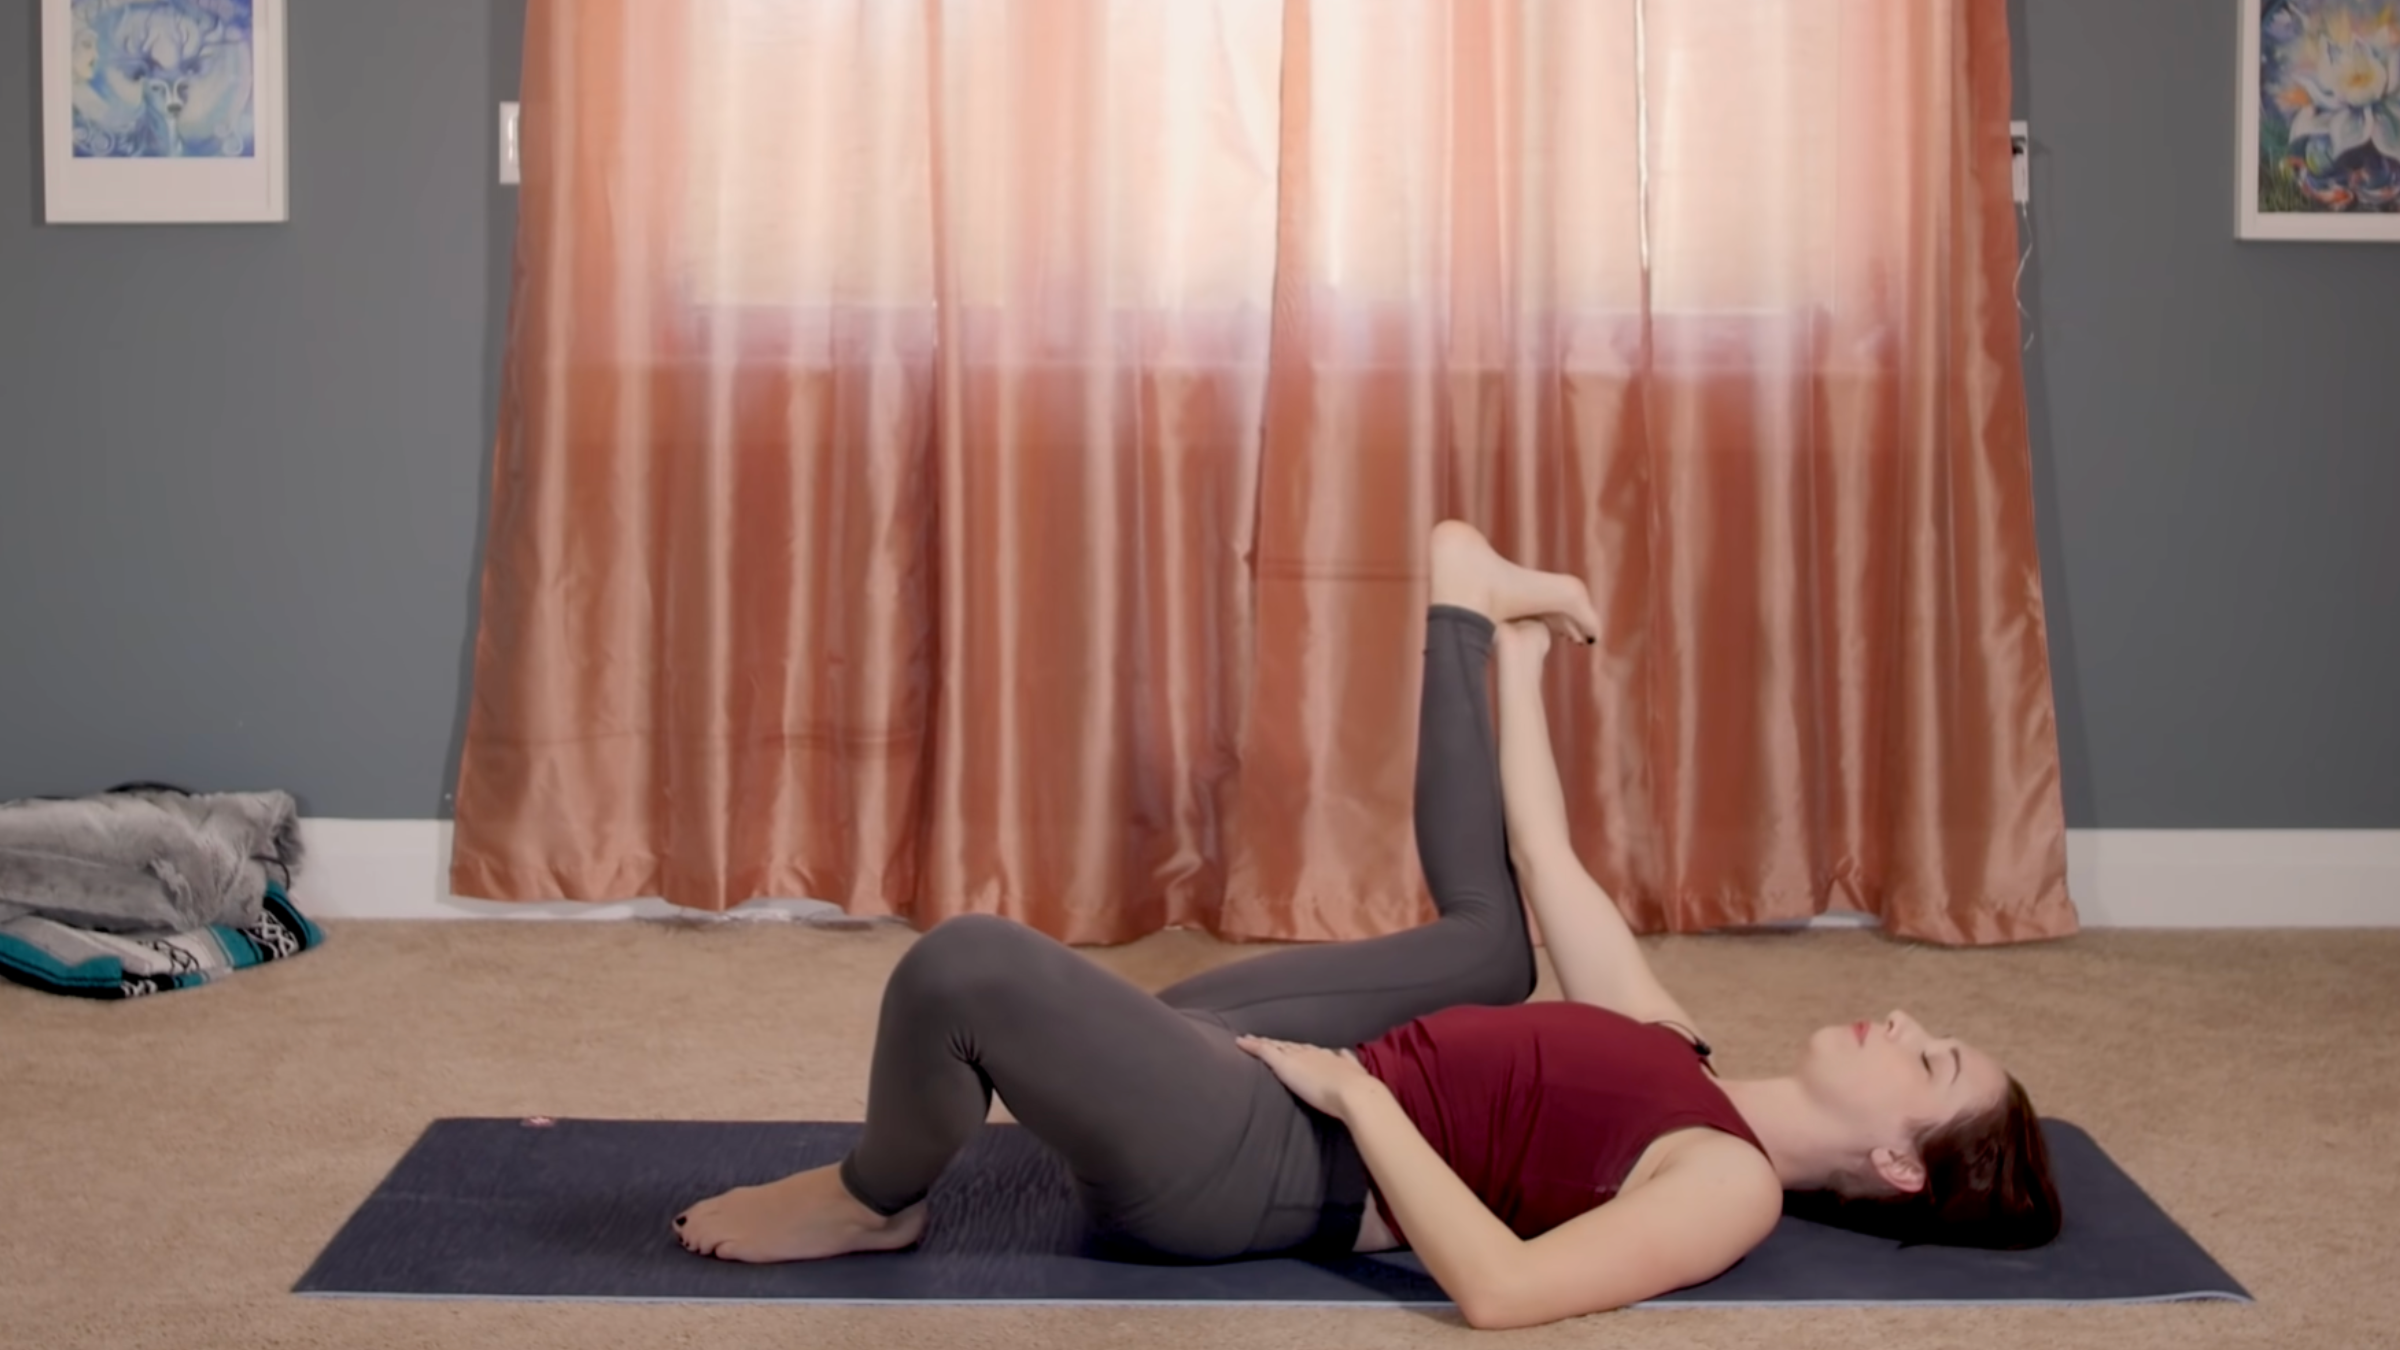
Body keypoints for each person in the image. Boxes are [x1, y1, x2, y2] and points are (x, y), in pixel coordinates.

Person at [673, 521, 2062, 1330]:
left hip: (1272, 1162)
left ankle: (875, 1199)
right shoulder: (1677, 1044)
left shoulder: (1731, 1181)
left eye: (1931, 1060)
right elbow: (1542, 851)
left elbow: (1505, 1292)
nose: (1908, 1022)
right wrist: (1516, 650)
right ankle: (1462, 593)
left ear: (1894, 1161)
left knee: (965, 961)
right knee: (1496, 940)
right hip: (1304, 1068)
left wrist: (1350, 1094)